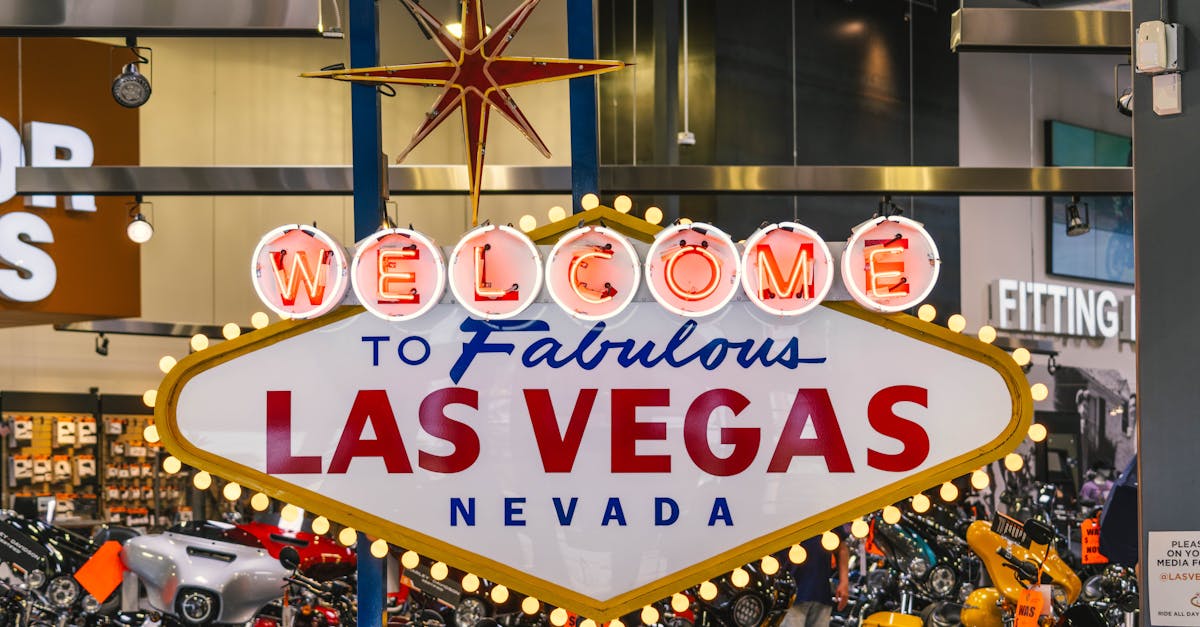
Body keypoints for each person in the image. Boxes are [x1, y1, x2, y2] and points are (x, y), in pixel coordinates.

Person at [782, 527, 849, 627]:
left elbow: (841, 548)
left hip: (821, 593)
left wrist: (844, 582)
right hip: (790, 595)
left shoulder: (826, 520)